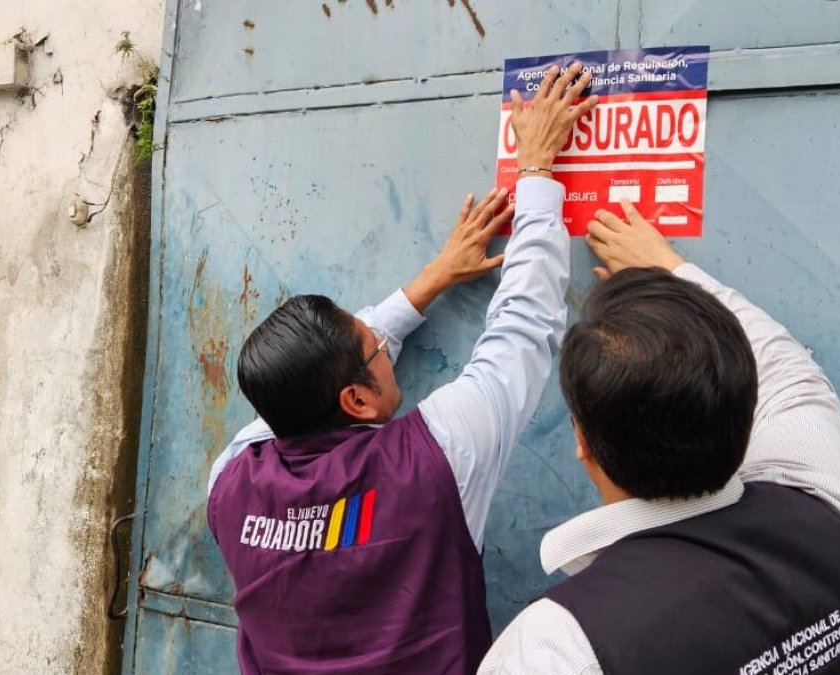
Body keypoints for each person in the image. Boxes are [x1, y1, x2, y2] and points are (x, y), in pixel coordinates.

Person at [205, 63, 598, 674]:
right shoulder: (436, 457)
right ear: (355, 401)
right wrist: (539, 170)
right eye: (375, 346)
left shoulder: (229, 479)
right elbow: (522, 328)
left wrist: (428, 282)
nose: (386, 346)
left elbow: (297, 383)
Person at [479, 203, 840, 674]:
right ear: (746, 410)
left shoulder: (558, 645)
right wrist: (672, 271)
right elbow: (788, 371)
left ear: (583, 442)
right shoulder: (826, 501)